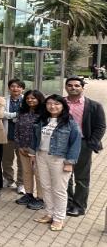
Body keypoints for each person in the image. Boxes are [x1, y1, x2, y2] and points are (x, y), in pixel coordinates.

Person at [31, 95, 82, 231]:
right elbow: (35, 138)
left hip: (59, 159)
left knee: (59, 190)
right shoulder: (42, 120)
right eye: (49, 103)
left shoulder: (70, 122)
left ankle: (59, 218)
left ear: (63, 106)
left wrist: (70, 162)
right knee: (45, 186)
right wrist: (32, 154)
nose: (52, 106)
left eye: (56, 104)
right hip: (41, 156)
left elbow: (76, 143)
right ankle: (49, 213)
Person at [64, 77, 106, 217]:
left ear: (82, 88)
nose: (73, 88)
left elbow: (100, 127)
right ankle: (67, 202)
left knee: (81, 177)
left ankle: (79, 206)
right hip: (62, 143)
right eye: (70, 85)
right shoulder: (60, 103)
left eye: (77, 85)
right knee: (65, 175)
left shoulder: (94, 106)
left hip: (82, 143)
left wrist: (90, 143)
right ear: (66, 87)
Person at [14, 90, 46, 210]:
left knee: (39, 174)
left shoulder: (44, 114)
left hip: (38, 150)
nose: (30, 100)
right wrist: (19, 146)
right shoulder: (22, 113)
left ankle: (41, 198)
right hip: (23, 148)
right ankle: (28, 194)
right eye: (28, 98)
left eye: (33, 98)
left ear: (39, 99)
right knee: (26, 172)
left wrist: (36, 150)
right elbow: (16, 129)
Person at [2, 79, 26, 194]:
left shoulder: (27, 100)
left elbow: (27, 116)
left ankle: (21, 183)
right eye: (12, 86)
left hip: (22, 138)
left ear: (22, 89)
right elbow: (1, 114)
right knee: (6, 160)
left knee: (22, 162)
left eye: (18, 86)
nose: (15, 89)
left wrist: (9, 116)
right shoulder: (3, 100)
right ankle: (8, 179)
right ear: (9, 88)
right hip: (8, 135)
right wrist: (16, 115)